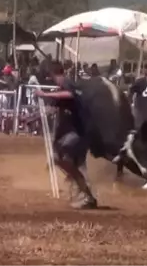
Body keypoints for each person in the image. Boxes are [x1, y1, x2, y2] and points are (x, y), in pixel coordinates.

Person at [34, 61, 97, 209]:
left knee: (61, 156)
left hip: (78, 132)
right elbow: (51, 109)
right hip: (73, 133)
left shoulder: (68, 83)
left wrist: (45, 93)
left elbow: (69, 95)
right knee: (64, 161)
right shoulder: (62, 88)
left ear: (52, 74)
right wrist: (31, 117)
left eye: (49, 76)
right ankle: (85, 193)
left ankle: (82, 188)